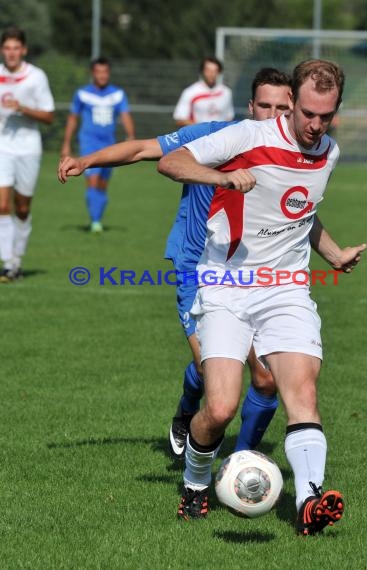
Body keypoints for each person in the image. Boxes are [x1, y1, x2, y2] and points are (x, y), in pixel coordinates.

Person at [158, 59, 367, 535]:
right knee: (219, 408)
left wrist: (333, 254)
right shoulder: (248, 137)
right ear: (292, 102)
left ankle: (309, 502)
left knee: (302, 391)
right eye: (309, 114)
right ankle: (195, 483)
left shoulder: (328, 154)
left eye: (326, 116)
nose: (316, 126)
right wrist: (221, 178)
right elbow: (172, 162)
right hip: (225, 286)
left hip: (286, 290)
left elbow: (300, 213)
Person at [58, 68, 292, 456]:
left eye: (281, 108)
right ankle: (186, 412)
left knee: (266, 379)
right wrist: (88, 161)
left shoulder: (293, 155)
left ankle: (243, 459)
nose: (270, 114)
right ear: (250, 106)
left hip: (255, 272)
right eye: (263, 105)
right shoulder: (215, 136)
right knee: (209, 368)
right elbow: (141, 150)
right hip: (197, 265)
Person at [0, 26, 55, 283]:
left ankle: (17, 259)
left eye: (15, 48)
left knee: (22, 208)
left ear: (23, 50)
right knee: (1, 205)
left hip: (28, 148)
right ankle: (8, 263)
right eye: (6, 48)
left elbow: (49, 116)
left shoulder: (36, 77)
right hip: (2, 147)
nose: (11, 53)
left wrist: (22, 108)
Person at [61, 57, 135, 233]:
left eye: (105, 72)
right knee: (92, 181)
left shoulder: (117, 94)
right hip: (88, 143)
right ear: (92, 73)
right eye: (98, 72)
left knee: (102, 184)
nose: (102, 75)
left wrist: (131, 136)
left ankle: (97, 219)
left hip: (108, 145)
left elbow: (125, 115)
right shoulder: (82, 94)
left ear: (109, 73)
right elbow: (73, 118)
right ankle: (95, 222)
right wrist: (66, 143)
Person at [173, 56, 234, 127]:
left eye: (215, 70)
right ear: (202, 71)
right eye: (208, 70)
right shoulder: (190, 92)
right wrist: (202, 129)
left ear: (219, 72)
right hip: (199, 137)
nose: (211, 74)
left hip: (221, 137)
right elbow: (180, 120)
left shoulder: (226, 92)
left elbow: (229, 118)